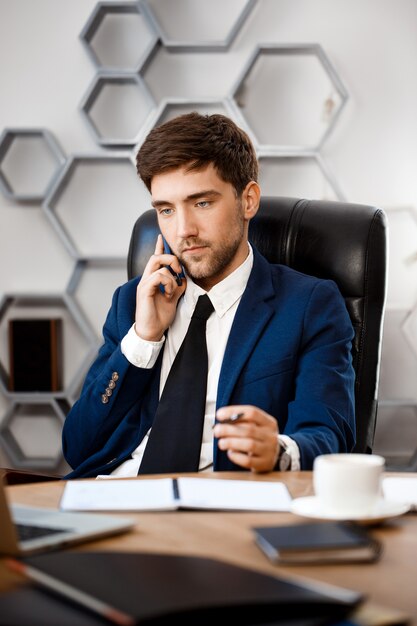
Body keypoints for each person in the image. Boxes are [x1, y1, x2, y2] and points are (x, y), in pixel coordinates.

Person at [62, 112, 355, 479]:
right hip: (113, 498)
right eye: (166, 210)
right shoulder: (131, 302)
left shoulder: (308, 305)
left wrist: (277, 450)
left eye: (202, 203)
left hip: (224, 509)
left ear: (248, 201)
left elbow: (331, 436)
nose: (183, 230)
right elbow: (78, 447)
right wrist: (143, 339)